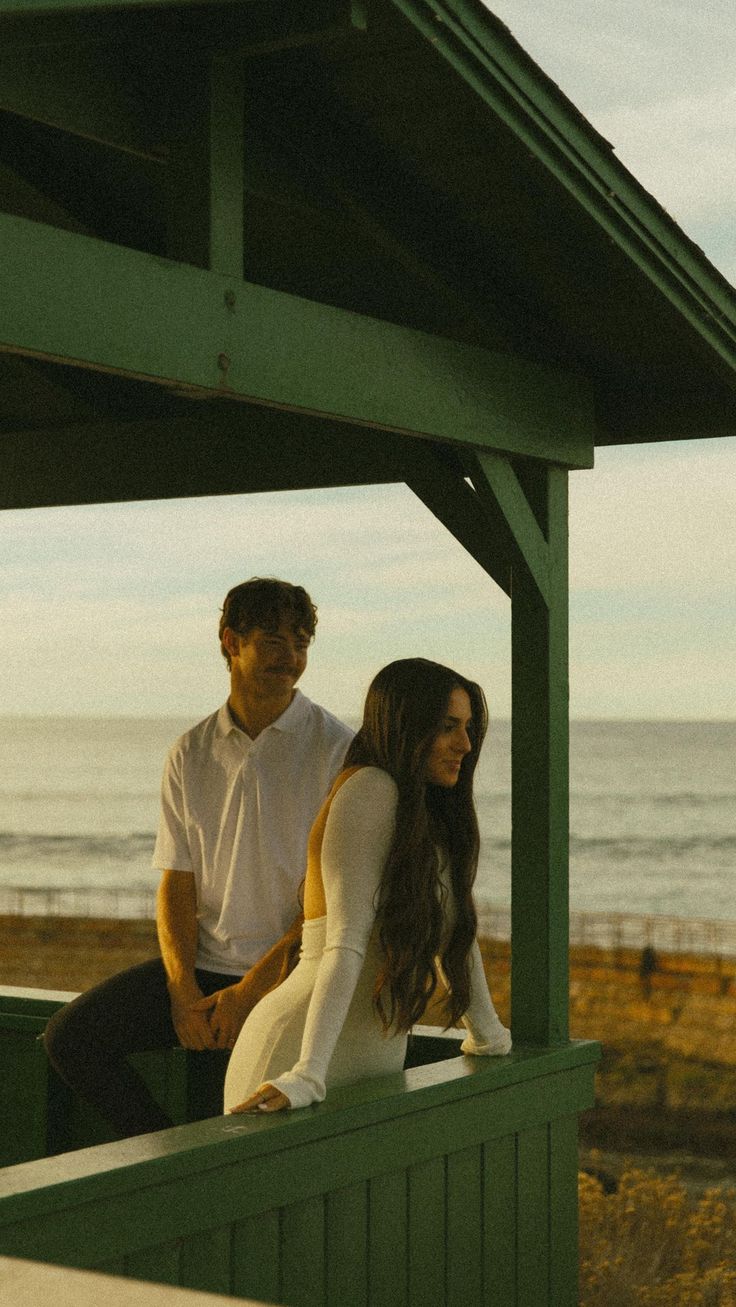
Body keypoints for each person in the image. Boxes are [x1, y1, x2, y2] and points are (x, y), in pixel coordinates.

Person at [43, 578, 354, 1138]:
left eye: (302, 642)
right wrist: (182, 988)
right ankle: (166, 1155)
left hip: (289, 978)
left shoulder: (337, 748)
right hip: (205, 970)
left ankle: (187, 1172)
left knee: (231, 1127)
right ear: (231, 641)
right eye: (274, 640)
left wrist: (249, 992)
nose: (292, 657)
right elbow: (177, 881)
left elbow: (333, 901)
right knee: (72, 1038)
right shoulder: (190, 750)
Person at [224, 657, 511, 1116]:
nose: (466, 743)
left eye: (468, 727)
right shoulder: (370, 790)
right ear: (407, 726)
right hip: (297, 1053)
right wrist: (307, 1074)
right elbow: (346, 943)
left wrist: (490, 1035)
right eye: (448, 727)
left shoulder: (425, 814)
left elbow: (456, 931)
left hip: (370, 1060)